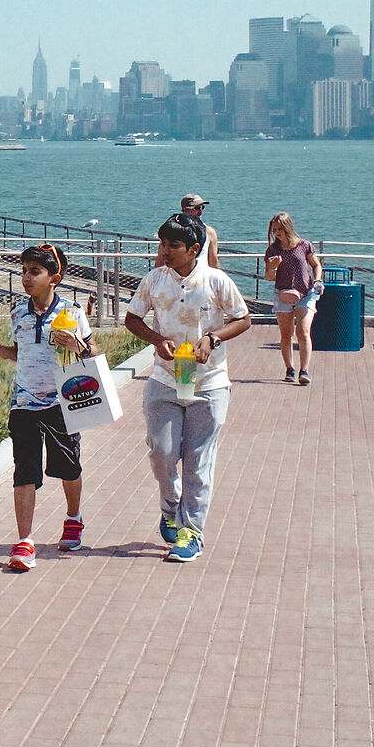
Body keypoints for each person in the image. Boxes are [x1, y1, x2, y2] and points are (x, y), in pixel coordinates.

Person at [123, 211, 253, 563]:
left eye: (173, 245)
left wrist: (213, 338)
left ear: (194, 248)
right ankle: (170, 509)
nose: (165, 251)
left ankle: (191, 532)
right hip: (166, 379)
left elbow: (244, 319)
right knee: (162, 453)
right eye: (162, 244)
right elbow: (132, 318)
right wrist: (155, 339)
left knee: (198, 462)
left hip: (209, 383)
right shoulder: (154, 280)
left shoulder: (217, 281)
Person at [0, 244, 95, 572]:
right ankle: (25, 541)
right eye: (23, 270)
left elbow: (92, 358)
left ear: (55, 278)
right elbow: (18, 353)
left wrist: (78, 345)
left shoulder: (73, 313)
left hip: (62, 402)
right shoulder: (18, 314)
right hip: (23, 403)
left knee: (68, 467)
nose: (25, 278)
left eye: (34, 272)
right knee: (24, 470)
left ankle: (73, 518)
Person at [266, 212, 323, 385]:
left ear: (288, 227)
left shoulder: (304, 245)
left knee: (303, 332)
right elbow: (269, 276)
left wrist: (318, 280)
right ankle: (289, 368)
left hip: (304, 294)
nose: (277, 233)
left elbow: (316, 265)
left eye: (280, 229)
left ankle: (304, 370)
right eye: (274, 230)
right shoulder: (272, 250)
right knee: (286, 334)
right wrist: (273, 267)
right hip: (282, 294)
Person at [179, 194, 221, 270]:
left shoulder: (209, 232)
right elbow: (161, 261)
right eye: (197, 208)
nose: (200, 212)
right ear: (186, 210)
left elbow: (214, 262)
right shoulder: (172, 231)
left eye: (202, 207)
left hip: (201, 279)